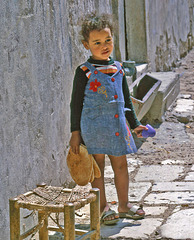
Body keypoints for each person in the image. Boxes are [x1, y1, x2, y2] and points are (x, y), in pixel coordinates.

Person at [69, 13, 147, 225]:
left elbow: (126, 102)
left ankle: (123, 205)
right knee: (98, 169)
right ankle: (104, 207)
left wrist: (135, 124)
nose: (104, 46)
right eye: (97, 42)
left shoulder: (119, 69)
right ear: (87, 45)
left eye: (108, 40)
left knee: (121, 165)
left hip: (117, 126)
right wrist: (75, 133)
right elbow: (75, 104)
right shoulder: (84, 71)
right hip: (93, 128)